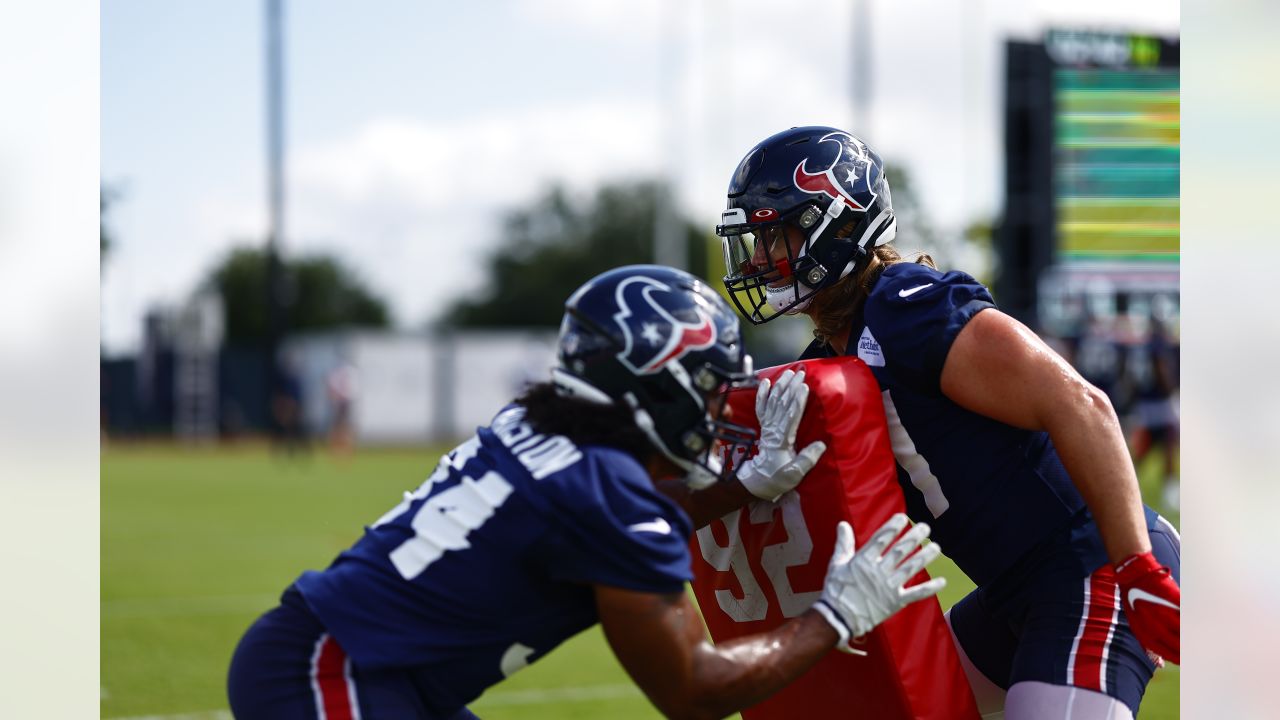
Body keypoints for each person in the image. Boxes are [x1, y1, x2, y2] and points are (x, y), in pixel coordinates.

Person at [227, 265, 947, 720]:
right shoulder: (606, 494)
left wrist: (742, 487)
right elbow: (691, 690)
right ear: (656, 387)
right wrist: (836, 614)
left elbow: (606, 529)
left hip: (366, 668)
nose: (720, 409)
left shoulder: (537, 429)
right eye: (707, 389)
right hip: (334, 674)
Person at [714, 127, 1181, 719]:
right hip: (1014, 591)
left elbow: (1080, 405)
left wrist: (1136, 567)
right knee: (877, 710)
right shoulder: (827, 364)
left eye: (774, 235)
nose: (759, 259)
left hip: (1090, 565)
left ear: (835, 226)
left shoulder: (908, 306)